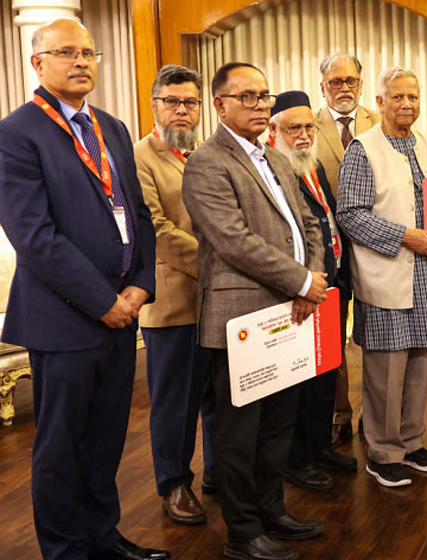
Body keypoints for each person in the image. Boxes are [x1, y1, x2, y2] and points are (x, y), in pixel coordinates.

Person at [0, 19, 167, 560]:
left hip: (124, 311)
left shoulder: (112, 127)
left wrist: (141, 285)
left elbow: (138, 213)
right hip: (65, 319)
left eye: (88, 52)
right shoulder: (17, 132)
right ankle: (66, 549)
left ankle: (103, 535)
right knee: (60, 447)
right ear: (37, 63)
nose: (80, 62)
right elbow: (35, 237)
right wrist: (103, 303)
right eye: (65, 52)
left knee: (105, 440)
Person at [182, 62, 327, 560]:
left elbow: (308, 222)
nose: (261, 105)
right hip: (240, 319)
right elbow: (233, 242)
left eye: (264, 96)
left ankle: (272, 510)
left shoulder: (276, 157)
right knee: (239, 432)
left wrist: (311, 280)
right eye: (247, 96)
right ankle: (243, 532)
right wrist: (304, 280)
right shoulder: (207, 161)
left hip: (290, 312)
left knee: (279, 424)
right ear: (219, 104)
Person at [337, 67, 427, 487]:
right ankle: (383, 452)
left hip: (426, 270)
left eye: (414, 98)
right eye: (397, 97)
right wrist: (405, 236)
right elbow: (349, 215)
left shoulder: (425, 143)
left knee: (421, 362)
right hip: (387, 269)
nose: (407, 105)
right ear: (380, 102)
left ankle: (411, 441)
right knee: (386, 367)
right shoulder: (362, 150)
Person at [135, 64, 215, 526]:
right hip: (173, 300)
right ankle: (173, 483)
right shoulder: (139, 156)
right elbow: (157, 230)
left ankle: (216, 471)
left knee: (218, 396)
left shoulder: (204, 153)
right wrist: (219, 260)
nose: (181, 110)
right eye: (172, 101)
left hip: (221, 299)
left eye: (190, 102)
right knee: (175, 402)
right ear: (155, 105)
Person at [268, 90, 358, 490]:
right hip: (297, 291)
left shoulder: (313, 165)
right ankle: (296, 458)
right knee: (298, 380)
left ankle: (320, 446)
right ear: (274, 131)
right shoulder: (272, 170)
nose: (303, 135)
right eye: (294, 128)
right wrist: (303, 281)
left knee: (325, 370)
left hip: (330, 286)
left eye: (308, 127)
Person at [314, 52, 380, 447]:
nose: (343, 88)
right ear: (323, 87)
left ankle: (375, 414)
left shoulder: (381, 122)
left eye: (350, 81)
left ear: (361, 83)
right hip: (330, 253)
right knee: (332, 337)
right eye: (335, 82)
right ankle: (339, 413)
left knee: (376, 336)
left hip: (377, 249)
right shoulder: (306, 125)